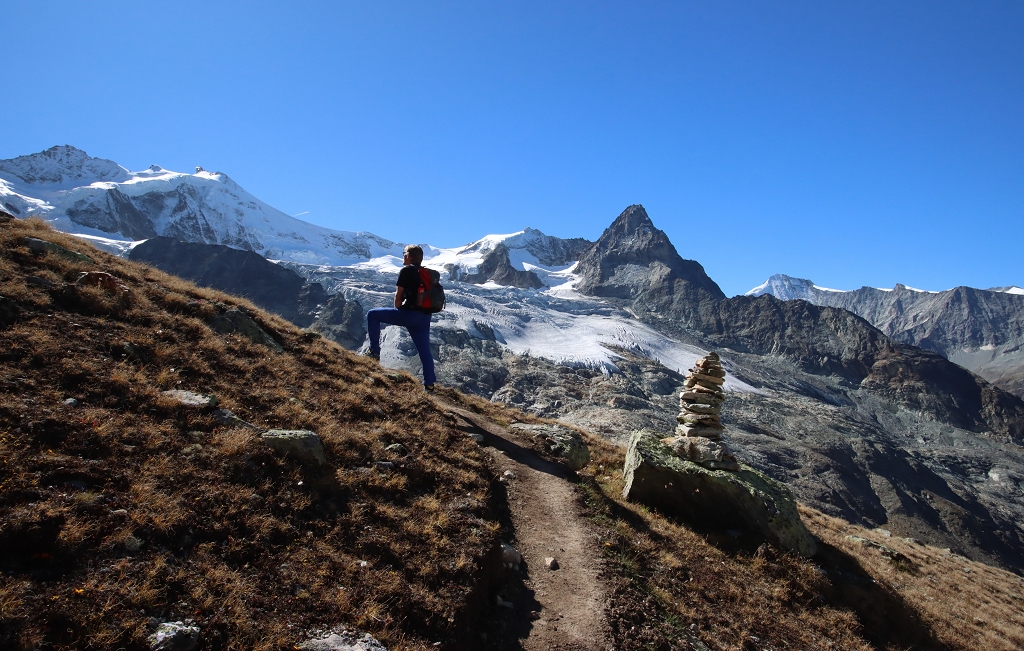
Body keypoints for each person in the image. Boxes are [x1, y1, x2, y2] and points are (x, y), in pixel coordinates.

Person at [365, 244, 436, 390]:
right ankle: (429, 384)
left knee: (372, 314)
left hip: (409, 314)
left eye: (404, 253)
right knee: (424, 351)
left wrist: (399, 307)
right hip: (425, 317)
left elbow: (398, 296)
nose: (403, 256)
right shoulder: (429, 273)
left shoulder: (406, 270)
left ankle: (374, 352)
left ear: (409, 256)